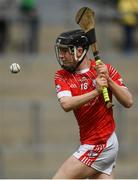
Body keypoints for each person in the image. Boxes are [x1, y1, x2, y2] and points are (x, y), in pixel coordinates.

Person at [53, 29, 133, 179]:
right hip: (89, 141)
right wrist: (95, 92)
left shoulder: (105, 70)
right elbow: (66, 104)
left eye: (65, 51)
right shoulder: (61, 76)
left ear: (80, 50)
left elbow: (128, 101)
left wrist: (108, 81)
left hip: (101, 141)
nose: (61, 56)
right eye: (60, 51)